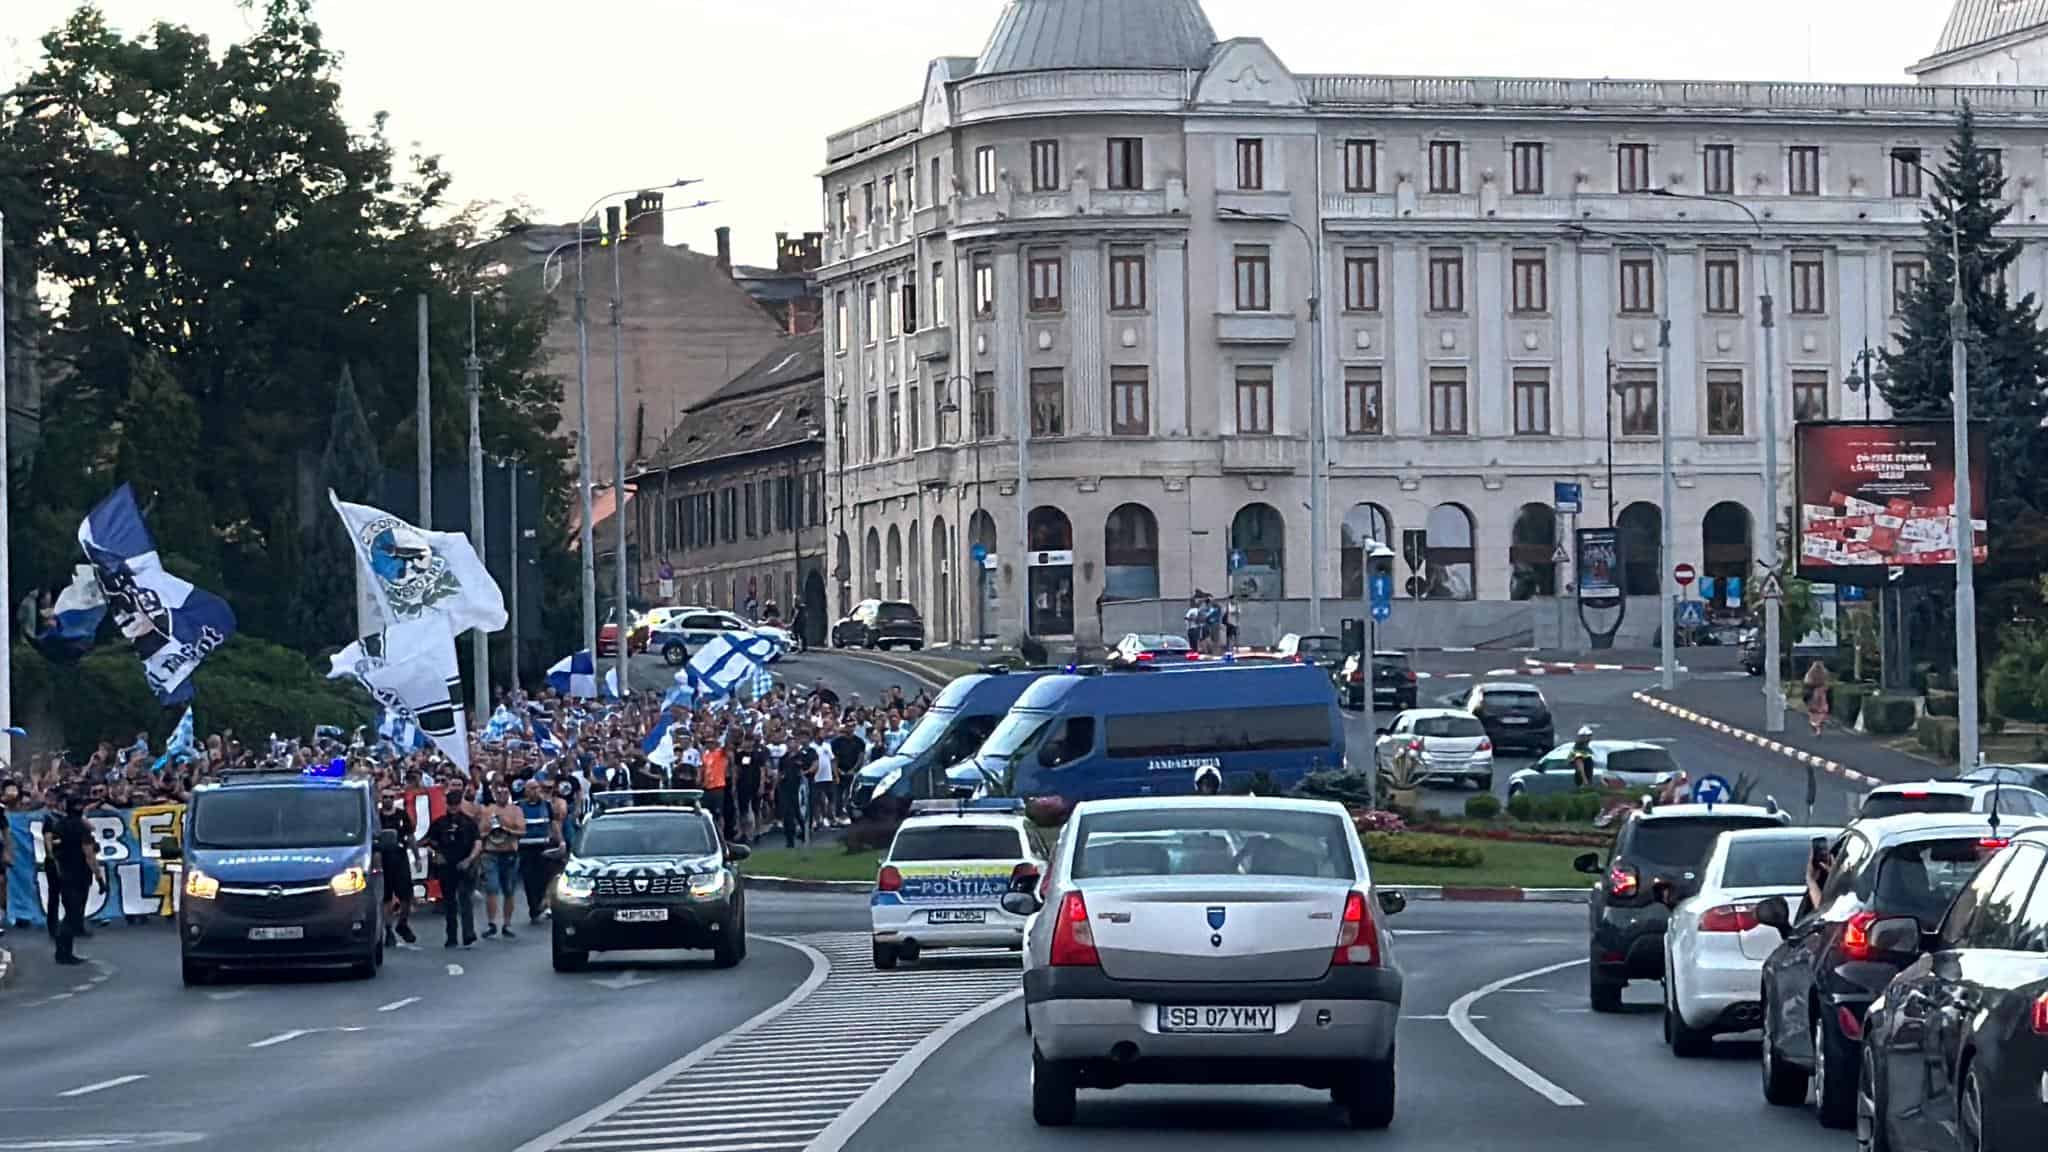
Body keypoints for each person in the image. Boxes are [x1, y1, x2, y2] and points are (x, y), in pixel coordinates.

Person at [423, 786, 481, 948]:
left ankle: (468, 934)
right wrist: (436, 855)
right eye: (450, 804)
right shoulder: (439, 823)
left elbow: (477, 843)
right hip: (446, 867)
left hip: (464, 865)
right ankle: (451, 937)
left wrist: (470, 860)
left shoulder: (468, 823)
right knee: (449, 903)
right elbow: (429, 842)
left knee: (465, 899)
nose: (453, 807)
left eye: (455, 804)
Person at [47, 790, 99, 966]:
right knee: (73, 915)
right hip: (80, 874)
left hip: (64, 873)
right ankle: (64, 952)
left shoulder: (59, 825)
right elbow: (89, 854)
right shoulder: (81, 827)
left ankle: (63, 951)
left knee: (70, 911)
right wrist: (99, 877)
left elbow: (54, 848)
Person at [478, 781, 526, 938]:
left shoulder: (516, 810)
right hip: (491, 853)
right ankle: (492, 923)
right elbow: (480, 833)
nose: (502, 796)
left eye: (505, 793)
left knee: (509, 890)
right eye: (499, 793)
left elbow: (521, 831)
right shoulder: (488, 810)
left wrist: (506, 828)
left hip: (509, 853)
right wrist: (491, 830)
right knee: (491, 888)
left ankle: (507, 923)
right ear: (494, 794)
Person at [379, 790, 420, 950]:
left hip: (400, 859)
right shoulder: (377, 817)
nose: (388, 800)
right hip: (383, 860)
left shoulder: (402, 815)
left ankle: (402, 923)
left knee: (406, 895)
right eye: (385, 797)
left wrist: (416, 857)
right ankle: (388, 930)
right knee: (386, 898)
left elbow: (410, 837)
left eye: (390, 797)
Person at [516, 779, 557, 926]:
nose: (535, 791)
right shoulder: (518, 806)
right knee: (529, 881)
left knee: (544, 879)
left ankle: (541, 904)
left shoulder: (546, 805)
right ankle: (533, 909)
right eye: (531, 788)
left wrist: (561, 841)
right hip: (526, 849)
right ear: (526, 791)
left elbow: (553, 824)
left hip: (543, 848)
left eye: (537, 788)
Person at [776, 732, 818, 849]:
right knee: (787, 815)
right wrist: (779, 780)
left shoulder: (803, 755)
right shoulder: (784, 758)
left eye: (793, 741)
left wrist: (806, 772)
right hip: (786, 789)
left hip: (800, 788)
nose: (791, 743)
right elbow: (780, 773)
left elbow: (814, 765)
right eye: (789, 741)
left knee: (802, 813)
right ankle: (789, 840)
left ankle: (806, 834)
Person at [1804, 659, 1831, 737]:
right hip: (1821, 693)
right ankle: (1818, 725)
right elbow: (1827, 682)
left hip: (1814, 695)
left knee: (1814, 711)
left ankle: (1816, 725)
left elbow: (1807, 682)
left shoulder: (1810, 673)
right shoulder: (1825, 673)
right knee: (1821, 710)